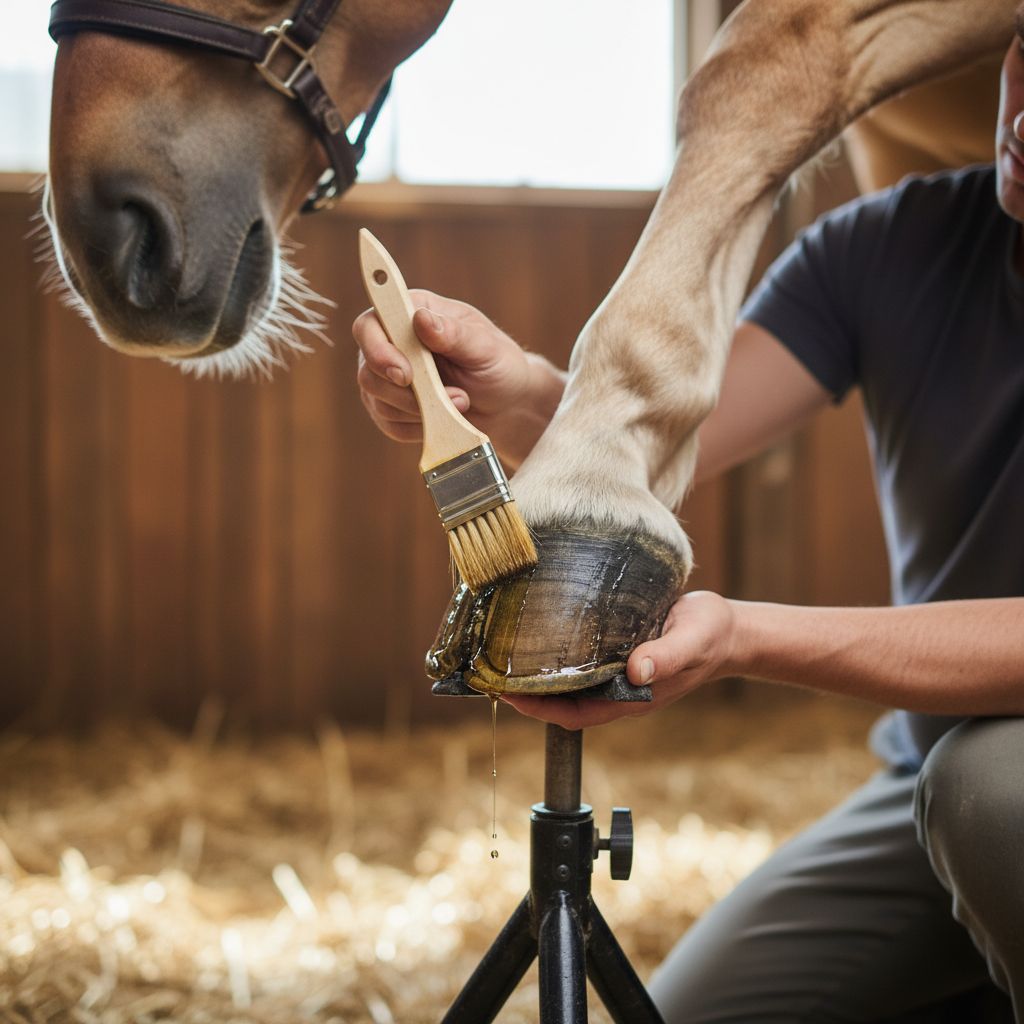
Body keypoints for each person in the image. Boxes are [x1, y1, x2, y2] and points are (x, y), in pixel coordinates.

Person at [352, 32, 1024, 1024]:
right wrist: (518, 392)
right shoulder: (887, 245)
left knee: (990, 792)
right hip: (918, 785)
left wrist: (748, 638)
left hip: (991, 785)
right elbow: (675, 439)